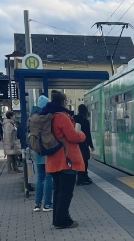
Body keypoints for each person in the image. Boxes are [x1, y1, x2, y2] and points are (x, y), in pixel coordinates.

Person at [40, 90, 85, 229]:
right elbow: (73, 137)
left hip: (54, 161)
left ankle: (59, 219)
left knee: (59, 192)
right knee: (65, 193)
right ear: (62, 102)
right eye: (66, 101)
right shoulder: (61, 117)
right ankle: (62, 221)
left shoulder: (50, 115)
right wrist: (82, 134)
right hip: (66, 160)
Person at [33, 95, 54, 212]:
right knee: (48, 177)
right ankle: (47, 204)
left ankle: (37, 204)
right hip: (47, 150)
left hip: (37, 151)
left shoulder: (33, 118)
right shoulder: (48, 117)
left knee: (40, 178)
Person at [73, 104, 94, 186]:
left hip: (75, 144)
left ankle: (80, 177)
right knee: (84, 161)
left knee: (78, 161)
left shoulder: (74, 118)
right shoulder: (85, 121)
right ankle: (83, 177)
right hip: (83, 144)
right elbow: (88, 134)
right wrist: (91, 145)